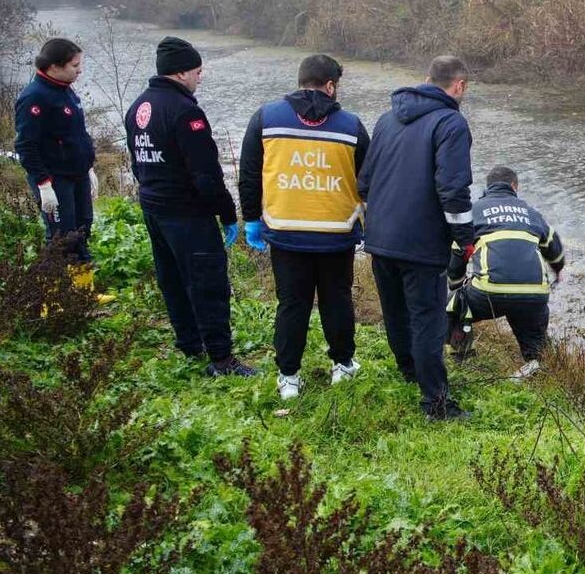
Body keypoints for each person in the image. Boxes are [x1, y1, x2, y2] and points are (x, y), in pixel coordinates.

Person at [238, 54, 370, 400]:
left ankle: (289, 378)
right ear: (330, 86)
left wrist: (252, 217)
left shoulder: (265, 118)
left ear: (301, 81)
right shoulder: (352, 126)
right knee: (337, 300)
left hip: (286, 231)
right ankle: (342, 365)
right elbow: (369, 180)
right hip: (336, 234)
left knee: (292, 304)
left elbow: (249, 174)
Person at [124, 36, 256, 377]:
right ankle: (222, 360)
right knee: (207, 284)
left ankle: (189, 344)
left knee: (172, 279)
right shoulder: (186, 113)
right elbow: (206, 174)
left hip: (154, 208)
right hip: (187, 213)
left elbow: (137, 164)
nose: (200, 77)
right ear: (181, 73)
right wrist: (228, 213)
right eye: (197, 71)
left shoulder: (139, 106)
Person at [358, 55, 475, 421]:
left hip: (379, 236)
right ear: (459, 86)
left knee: (395, 312)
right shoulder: (451, 123)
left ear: (426, 79)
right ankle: (436, 404)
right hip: (421, 243)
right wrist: (465, 238)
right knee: (428, 320)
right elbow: (453, 189)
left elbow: (364, 182)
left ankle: (409, 371)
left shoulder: (387, 118)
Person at [445, 165, 565, 380]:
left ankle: (461, 358)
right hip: (535, 294)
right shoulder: (531, 212)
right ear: (514, 186)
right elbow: (554, 250)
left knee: (452, 307)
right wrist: (558, 270)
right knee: (533, 334)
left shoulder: (475, 210)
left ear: (488, 186)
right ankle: (537, 364)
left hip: (489, 293)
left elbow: (457, 251)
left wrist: (456, 287)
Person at [14, 38, 96, 264]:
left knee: (82, 229)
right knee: (62, 237)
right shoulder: (34, 97)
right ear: (55, 67)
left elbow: (78, 132)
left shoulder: (67, 91)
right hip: (55, 178)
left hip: (78, 174)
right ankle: (57, 294)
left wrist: (89, 167)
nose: (80, 70)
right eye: (75, 65)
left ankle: (83, 292)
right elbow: (25, 144)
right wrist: (43, 183)